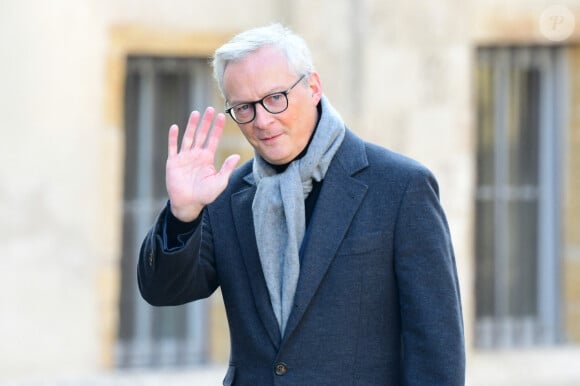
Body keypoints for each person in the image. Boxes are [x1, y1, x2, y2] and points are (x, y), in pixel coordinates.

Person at [138, 23, 465, 385]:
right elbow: (163, 291)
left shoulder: (401, 187)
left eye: (275, 97)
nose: (262, 120)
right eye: (244, 107)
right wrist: (183, 215)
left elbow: (436, 350)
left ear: (312, 88)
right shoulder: (225, 195)